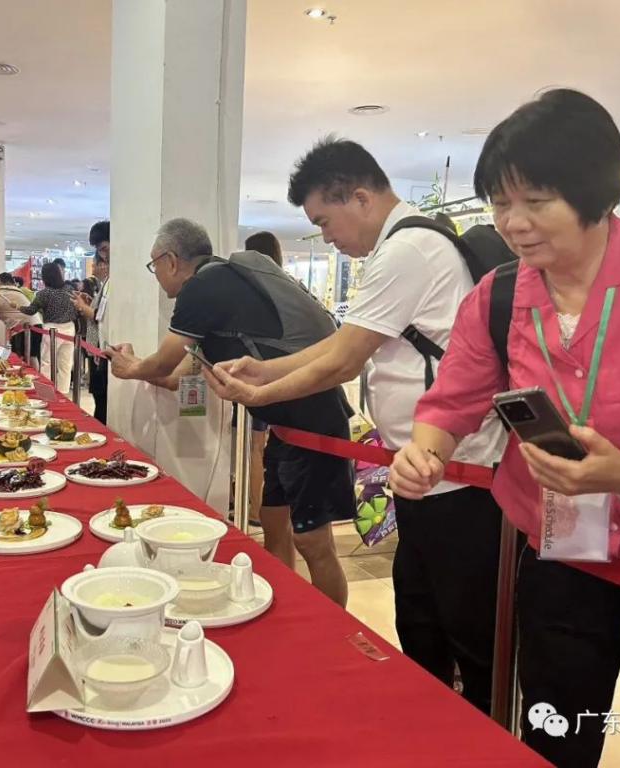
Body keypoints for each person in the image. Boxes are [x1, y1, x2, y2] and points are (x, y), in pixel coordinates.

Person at [387, 89, 620, 768]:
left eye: (536, 201)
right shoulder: (500, 295)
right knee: (557, 726)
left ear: (596, 192)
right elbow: (452, 402)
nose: (513, 223)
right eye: (501, 203)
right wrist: (424, 452)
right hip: (562, 543)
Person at [206, 137, 507, 713]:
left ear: (361, 197)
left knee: (461, 629)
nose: (326, 236)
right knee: (423, 618)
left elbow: (343, 359)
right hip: (428, 472)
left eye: (325, 220)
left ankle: (472, 736)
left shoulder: (407, 250)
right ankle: (433, 726)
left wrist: (259, 389)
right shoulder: (408, 244)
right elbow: (344, 345)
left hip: (459, 476)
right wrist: (264, 369)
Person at [107, 218, 354, 607]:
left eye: (153, 265)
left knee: (314, 541)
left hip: (314, 425)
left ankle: (337, 638)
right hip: (287, 428)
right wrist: (137, 364)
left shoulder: (202, 287)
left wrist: (131, 368)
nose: (155, 275)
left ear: (171, 260)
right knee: (273, 522)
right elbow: (175, 377)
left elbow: (162, 363)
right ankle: (287, 609)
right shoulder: (217, 292)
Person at [241, 230, 285, 528]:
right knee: (265, 445)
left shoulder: (251, 291)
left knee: (256, 447)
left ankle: (256, 509)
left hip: (255, 375)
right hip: (280, 377)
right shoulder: (286, 288)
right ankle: (258, 506)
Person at [19, 262, 78, 393]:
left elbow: (31, 310)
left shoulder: (43, 293)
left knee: (47, 362)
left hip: (52, 329)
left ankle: (46, 392)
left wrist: (17, 307)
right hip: (69, 328)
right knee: (65, 364)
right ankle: (63, 392)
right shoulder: (69, 289)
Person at [75, 220, 110, 422]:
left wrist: (83, 307)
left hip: (104, 349)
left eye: (104, 250)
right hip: (99, 348)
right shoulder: (106, 282)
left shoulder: (115, 278)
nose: (103, 257)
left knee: (103, 404)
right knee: (100, 400)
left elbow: (100, 315)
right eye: (99, 254)